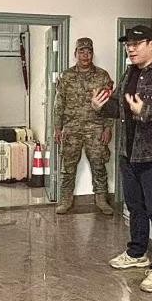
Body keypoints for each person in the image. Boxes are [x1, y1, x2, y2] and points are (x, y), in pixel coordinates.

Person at [92, 25, 152, 293]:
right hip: (128, 152)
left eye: (136, 44)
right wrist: (101, 107)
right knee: (135, 207)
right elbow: (118, 107)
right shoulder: (129, 73)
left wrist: (146, 110)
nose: (130, 49)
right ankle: (137, 252)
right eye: (128, 45)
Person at [53, 37, 114, 215]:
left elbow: (110, 104)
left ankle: (101, 200)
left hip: (96, 127)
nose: (85, 55)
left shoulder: (102, 76)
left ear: (92, 54)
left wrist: (108, 128)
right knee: (68, 166)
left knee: (99, 164)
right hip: (71, 127)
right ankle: (65, 200)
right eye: (82, 51)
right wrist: (57, 127)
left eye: (89, 51)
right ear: (75, 54)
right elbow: (59, 103)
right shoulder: (66, 76)